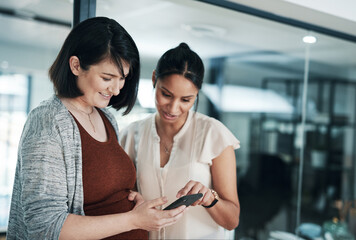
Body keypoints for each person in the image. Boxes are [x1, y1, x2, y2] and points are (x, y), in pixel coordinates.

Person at [7, 17, 186, 240]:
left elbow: (105, 192)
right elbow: (46, 226)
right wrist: (133, 220)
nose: (117, 89)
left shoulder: (106, 117)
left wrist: (134, 201)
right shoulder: (48, 120)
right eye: (107, 77)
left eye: (122, 78)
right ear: (75, 65)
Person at [119, 42, 241, 239]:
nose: (173, 108)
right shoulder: (131, 134)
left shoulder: (214, 134)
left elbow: (232, 220)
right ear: (153, 80)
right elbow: (125, 202)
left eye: (186, 100)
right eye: (166, 94)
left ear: (197, 95)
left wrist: (208, 197)